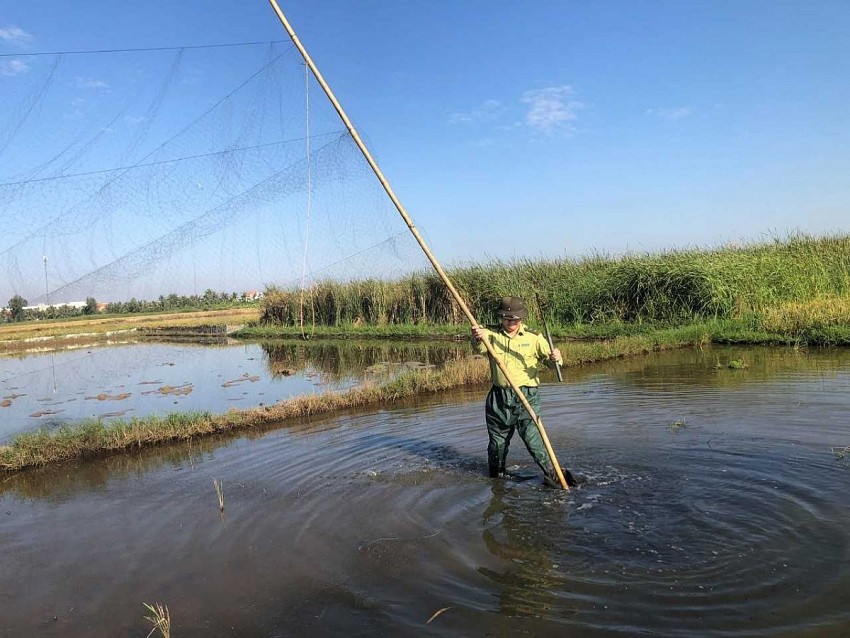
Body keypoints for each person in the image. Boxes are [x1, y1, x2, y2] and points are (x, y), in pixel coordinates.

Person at [471, 296, 568, 488]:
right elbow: (479, 347)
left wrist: (556, 357)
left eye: (515, 319)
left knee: (533, 440)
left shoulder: (534, 337)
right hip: (499, 397)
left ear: (521, 319)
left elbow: (552, 363)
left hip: (527, 395)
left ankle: (553, 475)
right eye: (508, 319)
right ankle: (497, 481)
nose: (511, 322)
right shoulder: (490, 334)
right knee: (497, 444)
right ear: (501, 318)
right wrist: (476, 336)